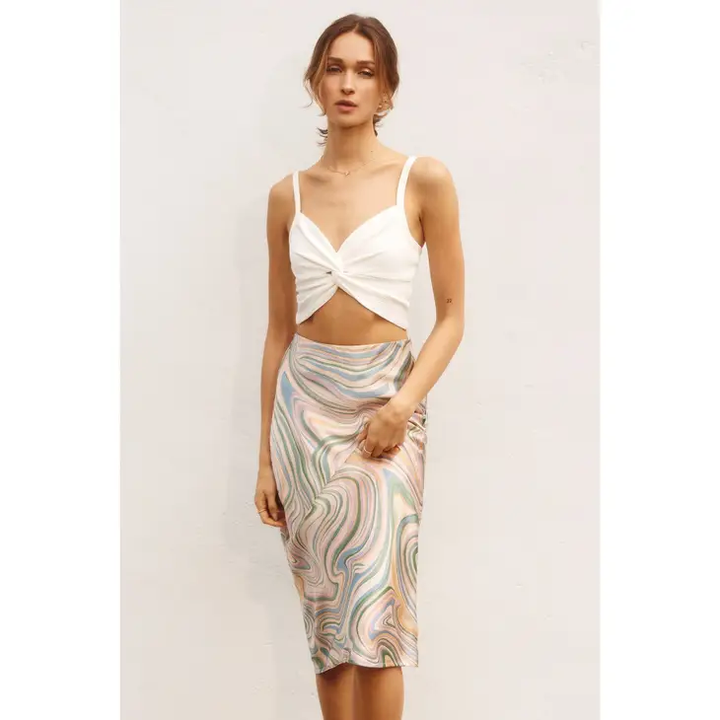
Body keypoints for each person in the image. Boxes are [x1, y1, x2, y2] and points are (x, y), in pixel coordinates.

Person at [254, 14, 465, 720]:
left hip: (386, 409)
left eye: (365, 71)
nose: (348, 83)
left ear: (388, 89)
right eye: (335, 68)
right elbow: (278, 332)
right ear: (315, 82)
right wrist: (264, 458)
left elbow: (453, 315)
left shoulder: (422, 179)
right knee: (328, 620)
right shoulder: (287, 195)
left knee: (380, 618)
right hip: (303, 416)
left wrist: (402, 405)